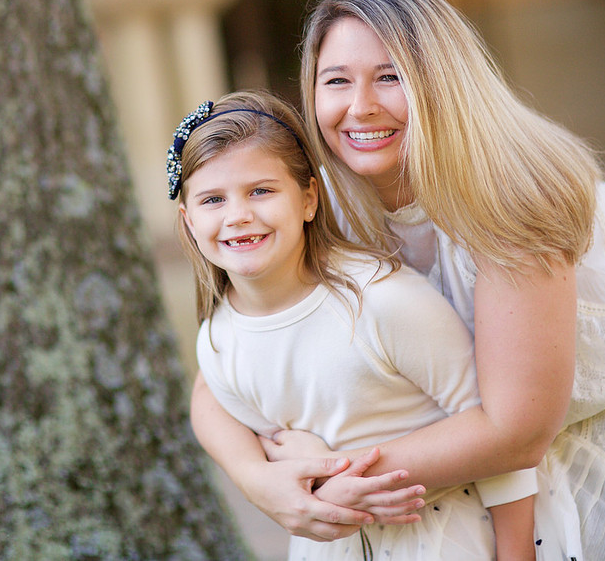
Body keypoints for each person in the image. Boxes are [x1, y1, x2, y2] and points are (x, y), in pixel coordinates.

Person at [190, 0, 605, 560]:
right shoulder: (322, 195)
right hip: (499, 442)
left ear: (440, 83)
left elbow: (515, 431)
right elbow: (221, 367)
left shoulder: (511, 190)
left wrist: (327, 483)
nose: (360, 107)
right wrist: (261, 483)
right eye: (336, 81)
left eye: (390, 77)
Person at [170, 90, 577, 560]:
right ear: (188, 221)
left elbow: (495, 439)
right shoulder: (218, 340)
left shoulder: (383, 302)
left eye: (261, 191)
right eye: (213, 199)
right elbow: (268, 448)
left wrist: (516, 553)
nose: (238, 215)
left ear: (308, 199)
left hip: (442, 540)